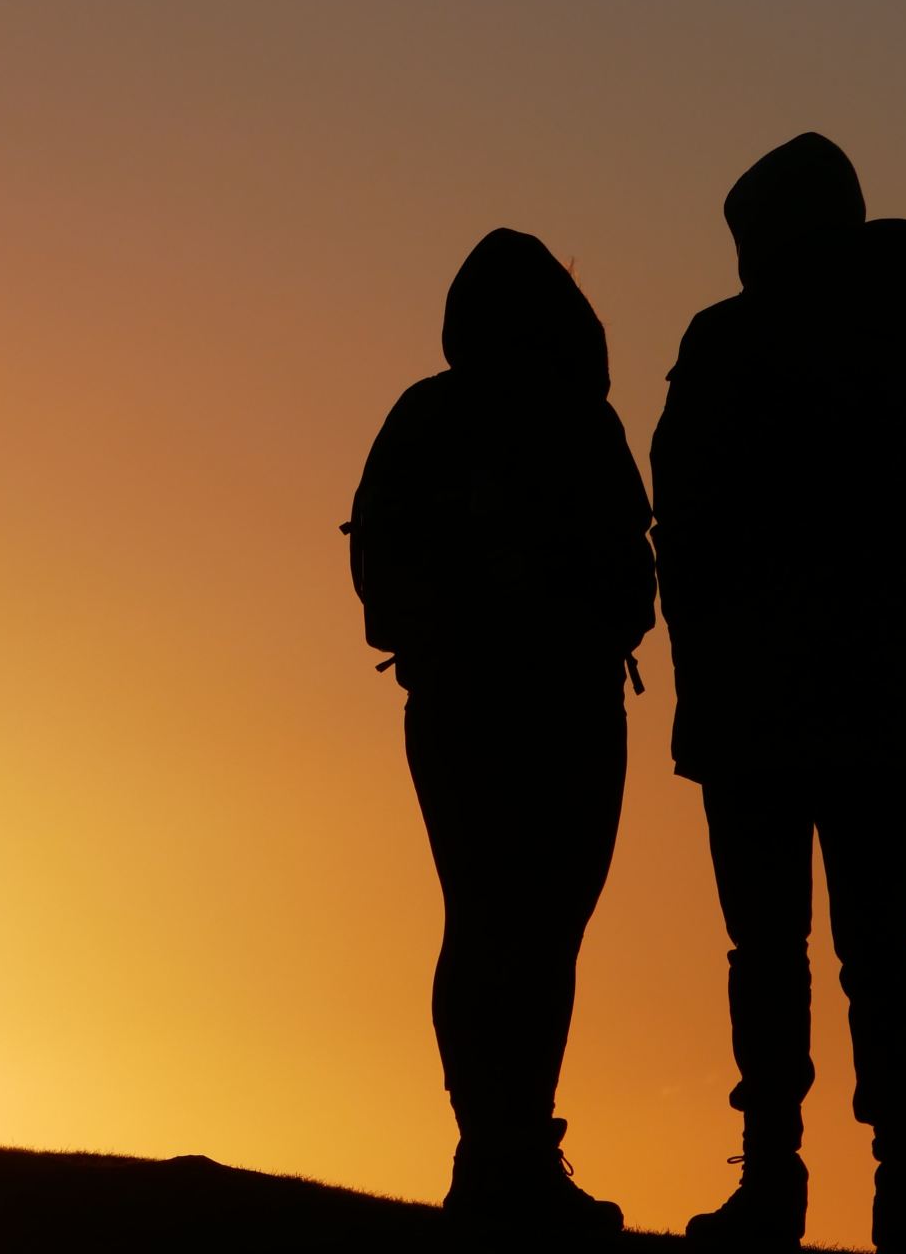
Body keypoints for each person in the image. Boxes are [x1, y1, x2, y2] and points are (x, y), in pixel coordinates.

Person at [652, 133, 906, 1254]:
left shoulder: (730, 343)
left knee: (783, 950)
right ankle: (900, 1184)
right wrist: (885, 601)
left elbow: (682, 519)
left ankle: (787, 1181)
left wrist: (762, 612)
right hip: (874, 701)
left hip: (761, 707)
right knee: (877, 949)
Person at [348, 228, 655, 1244]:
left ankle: (507, 1152)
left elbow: (631, 574)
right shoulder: (553, 422)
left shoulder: (460, 419)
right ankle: (500, 1155)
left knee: (513, 928)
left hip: (528, 710)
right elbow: (384, 575)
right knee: (507, 927)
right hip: (512, 711)